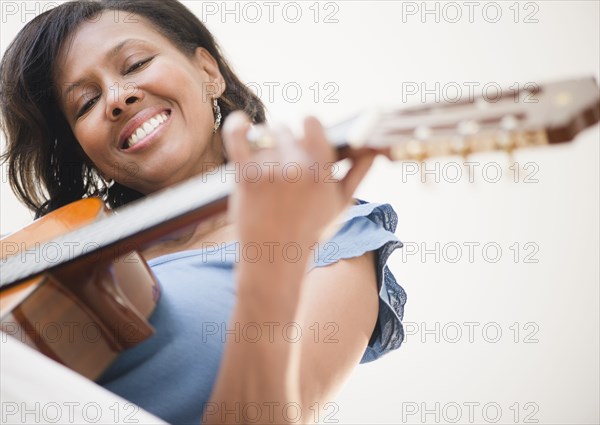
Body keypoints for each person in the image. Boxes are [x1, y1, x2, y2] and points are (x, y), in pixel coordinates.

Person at [0, 1, 407, 423]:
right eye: (86, 102)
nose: (117, 99)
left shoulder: (333, 235)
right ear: (85, 151)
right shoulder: (73, 262)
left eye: (135, 63)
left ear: (208, 73)